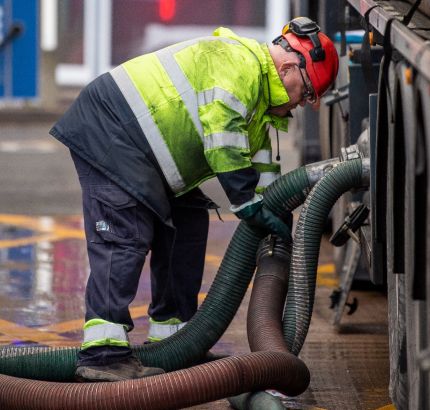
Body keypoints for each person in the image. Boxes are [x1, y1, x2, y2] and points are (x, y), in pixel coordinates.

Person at [49, 17, 339, 382]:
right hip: (112, 131)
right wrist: (247, 202)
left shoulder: (259, 104)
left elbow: (261, 164)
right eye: (308, 91)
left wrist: (272, 213)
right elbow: (222, 133)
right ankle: (102, 354)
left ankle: (175, 341)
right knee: (124, 237)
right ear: (288, 67)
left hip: (147, 151)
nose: (302, 103)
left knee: (187, 223)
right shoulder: (239, 64)